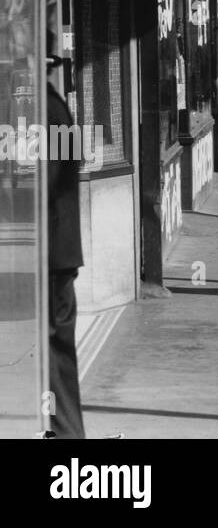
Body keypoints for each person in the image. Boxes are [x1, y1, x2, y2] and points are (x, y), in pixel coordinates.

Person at [45, 39, 85, 439]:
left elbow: (54, 182)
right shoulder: (52, 105)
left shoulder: (46, 109)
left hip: (52, 252)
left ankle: (68, 436)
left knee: (56, 353)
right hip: (57, 248)